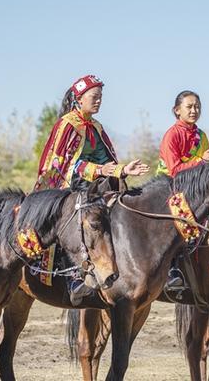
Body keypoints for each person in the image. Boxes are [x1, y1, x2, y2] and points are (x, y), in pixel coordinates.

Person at [35, 75, 149, 299]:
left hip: (94, 187)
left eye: (101, 97)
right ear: (79, 99)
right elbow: (61, 164)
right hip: (67, 186)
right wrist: (99, 170)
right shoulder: (67, 124)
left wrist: (122, 170)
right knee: (74, 222)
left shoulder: (96, 127)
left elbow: (106, 161)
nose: (99, 101)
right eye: (94, 97)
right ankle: (71, 277)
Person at [157, 90, 209, 289]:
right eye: (189, 107)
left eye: (197, 107)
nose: (194, 110)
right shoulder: (172, 135)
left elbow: (205, 170)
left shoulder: (201, 136)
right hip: (170, 189)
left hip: (194, 191)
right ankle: (173, 269)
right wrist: (202, 161)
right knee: (182, 218)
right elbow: (175, 171)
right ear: (177, 110)